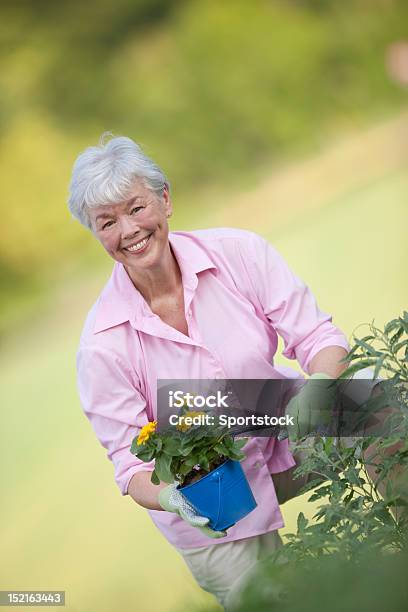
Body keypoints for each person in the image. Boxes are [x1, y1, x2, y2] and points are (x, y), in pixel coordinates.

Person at [68, 134, 356, 609]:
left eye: (136, 207)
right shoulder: (101, 346)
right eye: (107, 222)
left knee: (385, 411)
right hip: (211, 495)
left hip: (285, 426)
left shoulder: (239, 253)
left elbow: (318, 338)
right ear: (98, 235)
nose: (129, 230)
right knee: (276, 601)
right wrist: (173, 498)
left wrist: (322, 393)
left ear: (165, 199)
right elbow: (130, 464)